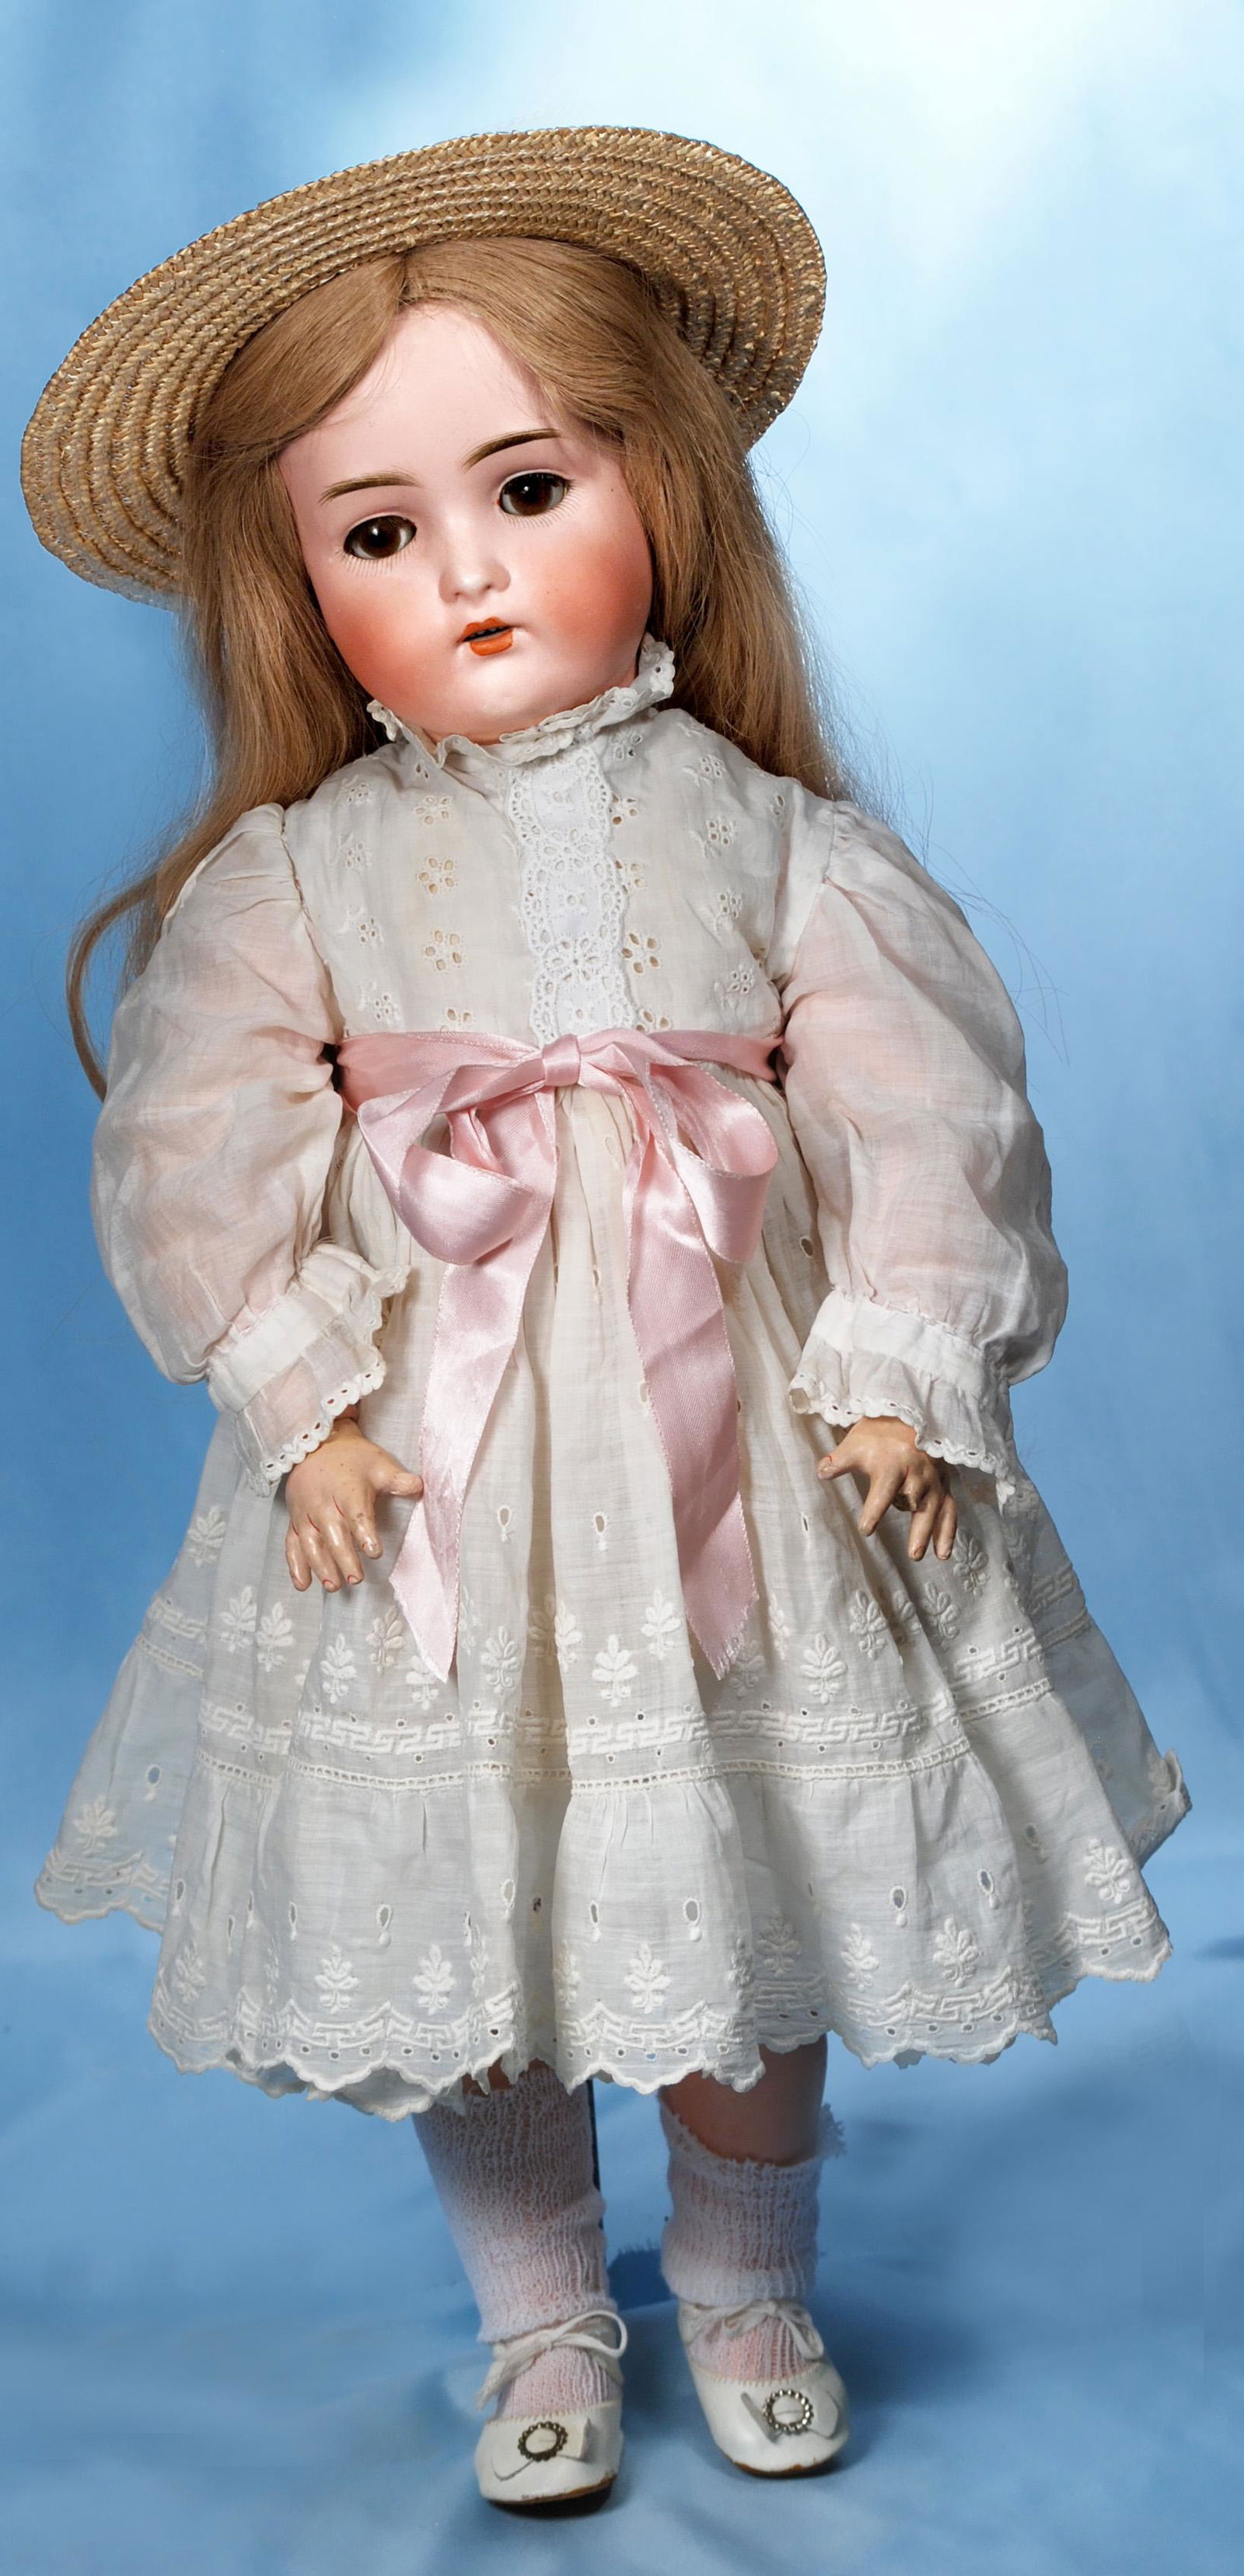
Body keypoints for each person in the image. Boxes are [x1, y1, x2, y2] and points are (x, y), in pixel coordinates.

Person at [23, 128, 1190, 2510]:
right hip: (429, 1477)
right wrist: (299, 1396)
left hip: (737, 1453)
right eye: (377, 533)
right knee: (467, 1890)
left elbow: (922, 1102)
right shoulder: (300, 875)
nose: (466, 571)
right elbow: (193, 1141)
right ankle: (541, 2307)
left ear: (658, 484)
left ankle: (747, 2275)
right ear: (294, 585)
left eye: (530, 487)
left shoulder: (774, 840)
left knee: (740, 1866)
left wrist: (899, 1362)